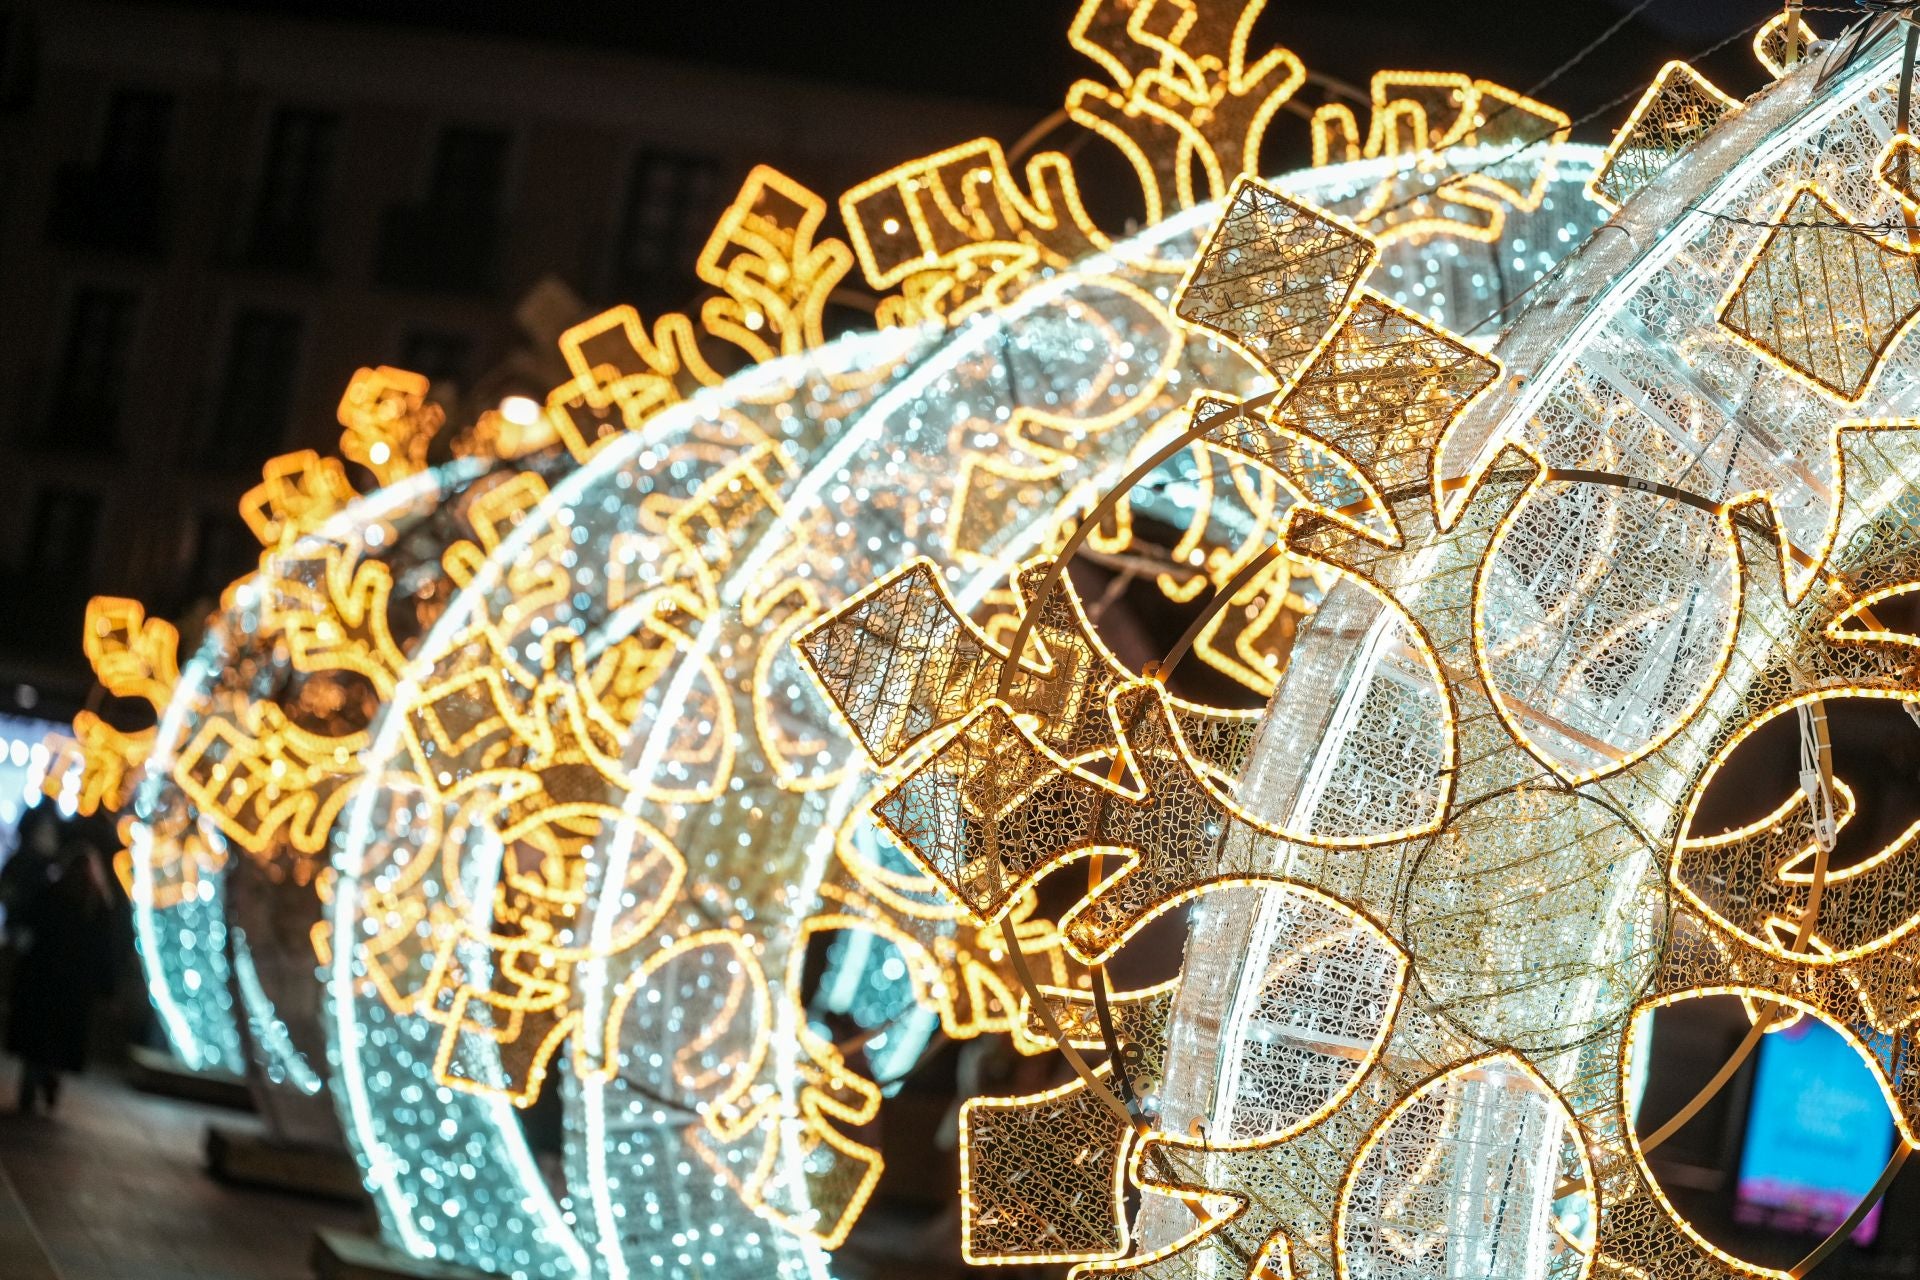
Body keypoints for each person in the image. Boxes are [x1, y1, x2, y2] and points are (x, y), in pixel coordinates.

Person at [3, 821, 116, 1114]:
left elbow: (25, 922)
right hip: (71, 987)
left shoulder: (52, 895)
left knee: (36, 1040)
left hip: (43, 978)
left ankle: (34, 1084)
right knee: (57, 1041)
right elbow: (104, 950)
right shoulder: (96, 906)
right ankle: (48, 1080)